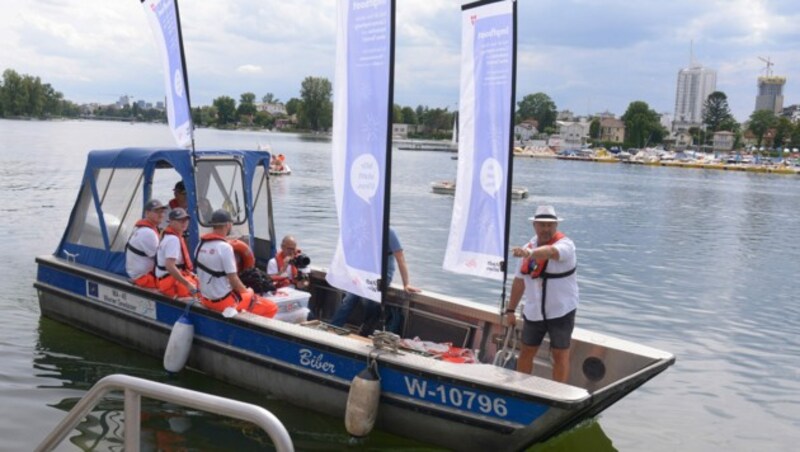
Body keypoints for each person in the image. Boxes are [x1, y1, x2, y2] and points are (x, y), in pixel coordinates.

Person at [504, 205, 578, 383]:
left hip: (561, 310)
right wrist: (511, 310)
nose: (546, 229)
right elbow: (519, 281)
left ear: (556, 226)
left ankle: (557, 393)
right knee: (526, 351)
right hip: (534, 311)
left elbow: (551, 253)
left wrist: (530, 253)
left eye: (550, 225)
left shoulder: (566, 245)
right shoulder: (526, 248)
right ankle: (521, 388)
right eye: (542, 225)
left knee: (560, 355)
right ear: (534, 226)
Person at [330, 228, 421, 336]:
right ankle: (333, 327)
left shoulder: (389, 232)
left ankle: (366, 329)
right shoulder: (364, 229)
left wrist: (406, 283)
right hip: (363, 272)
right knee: (349, 298)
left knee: (370, 300)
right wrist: (352, 273)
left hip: (382, 274)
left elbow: (400, 258)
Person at [194, 209, 278, 318]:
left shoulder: (200, 244)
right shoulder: (225, 247)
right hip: (223, 302)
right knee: (271, 307)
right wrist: (247, 292)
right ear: (228, 224)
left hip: (205, 299)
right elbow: (233, 279)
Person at [155, 208, 198, 298]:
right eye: (179, 220)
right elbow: (170, 266)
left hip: (167, 278)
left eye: (185, 220)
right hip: (169, 282)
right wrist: (187, 284)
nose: (183, 223)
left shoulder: (170, 236)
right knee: (200, 293)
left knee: (199, 282)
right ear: (171, 222)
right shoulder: (173, 240)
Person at [125, 199, 168, 289]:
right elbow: (161, 261)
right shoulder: (148, 233)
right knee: (181, 285)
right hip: (144, 278)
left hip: (134, 274)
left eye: (162, 211)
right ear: (147, 213)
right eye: (156, 211)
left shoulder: (141, 228)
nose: (161, 214)